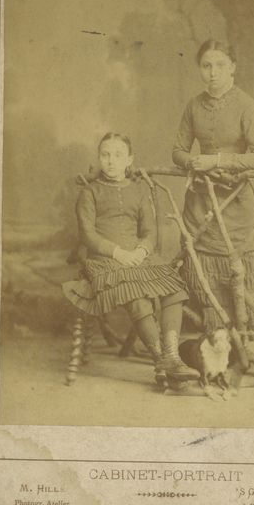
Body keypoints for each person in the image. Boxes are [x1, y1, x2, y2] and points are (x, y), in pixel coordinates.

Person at [63, 132, 199, 383]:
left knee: (175, 290)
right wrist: (119, 253)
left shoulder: (138, 191)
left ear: (129, 160)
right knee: (136, 296)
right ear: (99, 158)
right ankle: (161, 360)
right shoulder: (90, 192)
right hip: (104, 260)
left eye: (118, 155)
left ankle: (172, 357)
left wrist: (141, 251)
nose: (111, 161)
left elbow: (149, 232)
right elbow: (87, 235)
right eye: (105, 155)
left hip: (138, 257)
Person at [172, 39, 254, 337]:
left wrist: (216, 160)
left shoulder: (246, 105)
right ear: (200, 69)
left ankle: (247, 341)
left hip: (237, 204)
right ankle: (214, 337)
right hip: (201, 204)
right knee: (202, 273)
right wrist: (193, 162)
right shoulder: (193, 105)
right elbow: (177, 151)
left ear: (233, 68)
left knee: (241, 274)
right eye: (206, 66)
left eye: (220, 65)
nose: (213, 72)